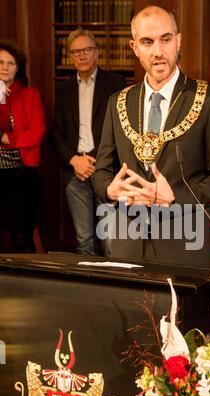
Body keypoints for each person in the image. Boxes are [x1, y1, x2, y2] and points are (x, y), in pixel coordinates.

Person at [93, 5, 210, 268]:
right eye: (147, 42)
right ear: (134, 47)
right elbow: (102, 171)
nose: (158, 52)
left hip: (187, 245)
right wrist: (110, 190)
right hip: (129, 243)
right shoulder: (118, 102)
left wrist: (175, 197)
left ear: (178, 41)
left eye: (166, 39)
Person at [51, 30, 126, 256]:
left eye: (86, 50)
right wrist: (74, 160)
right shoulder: (64, 89)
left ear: (96, 52)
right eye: (76, 51)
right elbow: (55, 130)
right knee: (84, 242)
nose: (81, 55)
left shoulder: (115, 83)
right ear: (70, 56)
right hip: (76, 172)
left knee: (111, 243)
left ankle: (114, 290)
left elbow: (121, 127)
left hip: (107, 170)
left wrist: (92, 160)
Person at [0, 40, 45, 253]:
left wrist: (6, 139)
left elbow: (35, 134)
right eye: (0, 62)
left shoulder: (30, 95)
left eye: (11, 63)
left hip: (21, 175)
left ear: (18, 68)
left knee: (22, 234)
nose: (5, 67)